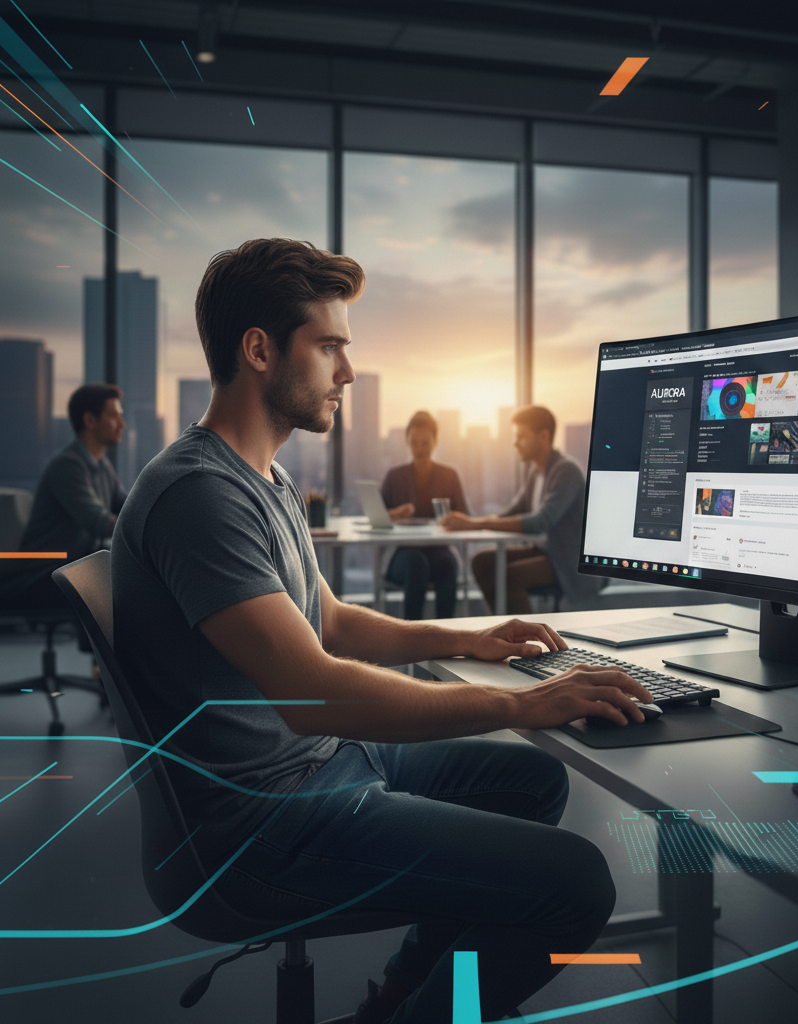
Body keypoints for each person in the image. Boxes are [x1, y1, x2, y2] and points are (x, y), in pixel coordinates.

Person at [110, 238, 652, 1024]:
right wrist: (521, 706)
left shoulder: (264, 477)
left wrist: (465, 639)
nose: (348, 372)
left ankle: (401, 994)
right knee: (577, 884)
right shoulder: (200, 494)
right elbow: (314, 694)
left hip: (317, 766)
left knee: (533, 783)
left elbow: (328, 618)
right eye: (329, 345)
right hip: (262, 822)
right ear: (260, 351)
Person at [442, 405, 603, 614]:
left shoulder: (566, 471)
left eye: (521, 436)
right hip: (546, 552)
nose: (515, 443)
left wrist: (476, 524)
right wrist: (467, 523)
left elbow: (540, 522)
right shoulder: (536, 472)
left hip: (570, 562)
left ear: (543, 436)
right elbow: (510, 513)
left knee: (510, 575)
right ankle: (501, 627)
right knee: (481, 562)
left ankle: (527, 639)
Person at [0, 383, 127, 610]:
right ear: (90, 420)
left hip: (70, 570)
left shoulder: (102, 466)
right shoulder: (67, 467)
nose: (121, 424)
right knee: (117, 585)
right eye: (114, 415)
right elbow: (97, 522)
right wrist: (140, 531)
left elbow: (128, 507)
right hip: (42, 574)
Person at [380, 410, 468, 619]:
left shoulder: (449, 475)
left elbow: (464, 515)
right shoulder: (395, 476)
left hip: (439, 551)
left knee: (447, 564)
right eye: (414, 442)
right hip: (404, 555)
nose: (419, 449)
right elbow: (378, 518)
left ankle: (449, 638)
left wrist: (451, 519)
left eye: (425, 443)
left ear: (436, 442)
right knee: (416, 563)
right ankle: (412, 638)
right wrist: (395, 514)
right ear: (407, 441)